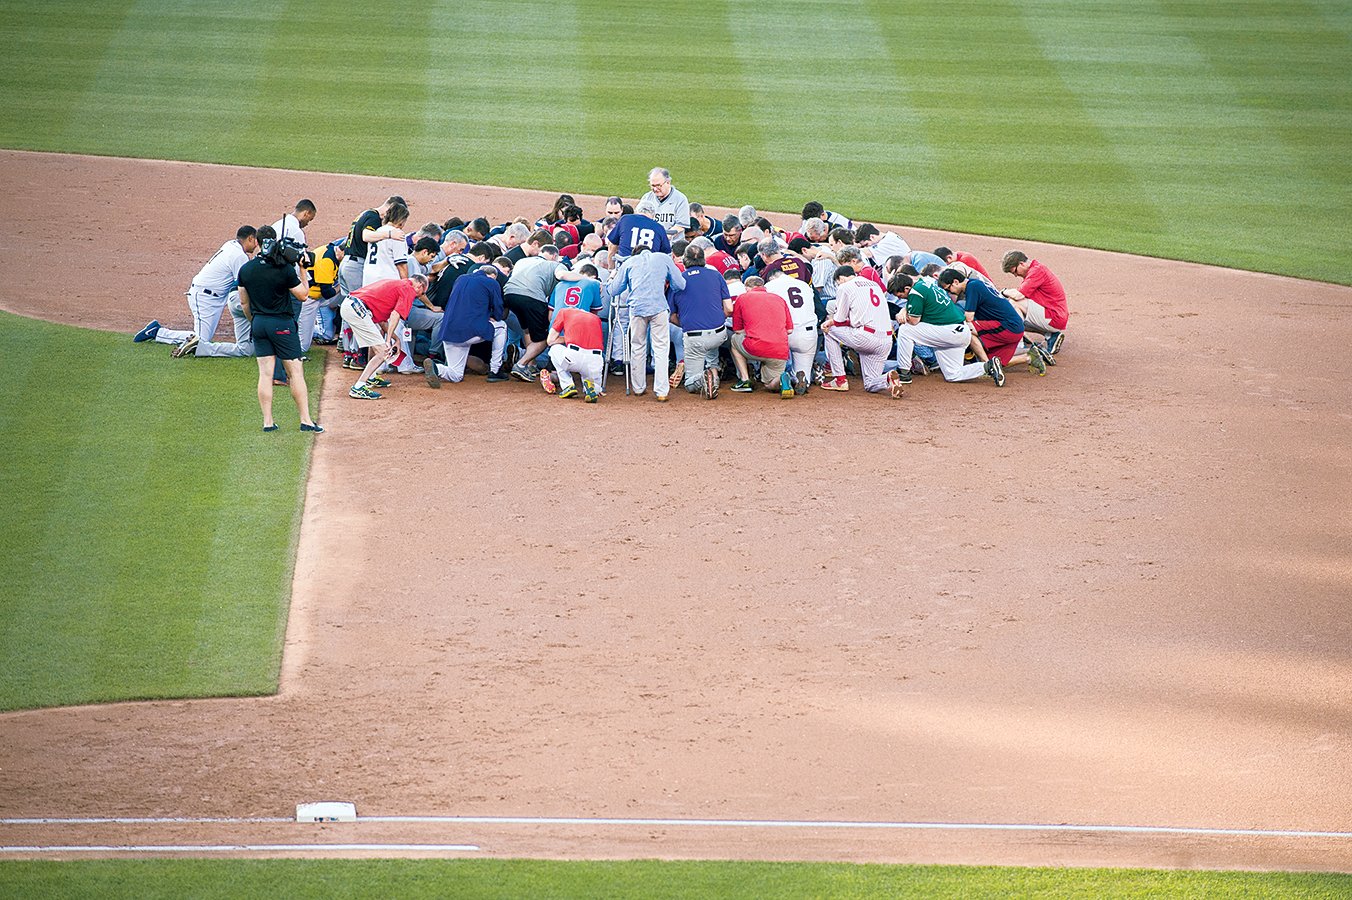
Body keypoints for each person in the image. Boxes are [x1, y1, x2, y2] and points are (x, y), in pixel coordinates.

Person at [236, 225, 321, 433]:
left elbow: (244, 303)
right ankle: (306, 421)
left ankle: (267, 422)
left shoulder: (245, 270)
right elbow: (303, 295)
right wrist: (303, 270)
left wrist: (254, 321)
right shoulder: (283, 270)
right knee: (296, 373)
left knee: (265, 374)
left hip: (259, 325)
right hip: (282, 325)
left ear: (256, 242)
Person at [137, 225, 259, 356]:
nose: (256, 245)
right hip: (204, 297)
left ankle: (158, 332)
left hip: (210, 296)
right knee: (200, 341)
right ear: (250, 238)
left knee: (200, 340)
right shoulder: (239, 256)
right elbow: (243, 284)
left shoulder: (231, 245)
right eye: (256, 241)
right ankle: (157, 333)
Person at [890, 272, 1005, 390]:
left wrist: (900, 315)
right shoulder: (924, 283)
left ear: (907, 288)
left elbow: (914, 321)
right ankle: (988, 366)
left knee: (905, 330)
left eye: (900, 295)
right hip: (960, 332)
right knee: (953, 374)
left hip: (948, 332)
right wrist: (904, 310)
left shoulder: (915, 292)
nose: (900, 298)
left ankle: (904, 373)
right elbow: (917, 304)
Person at [602, 246, 685, 400]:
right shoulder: (663, 258)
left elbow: (613, 290)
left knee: (638, 346)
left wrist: (611, 279)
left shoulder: (629, 262)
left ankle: (639, 387)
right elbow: (680, 285)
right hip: (659, 307)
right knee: (661, 348)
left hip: (637, 308)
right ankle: (661, 391)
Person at [936, 269, 1048, 376]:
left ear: (955, 281)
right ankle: (1029, 357)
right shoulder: (975, 283)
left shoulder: (973, 287)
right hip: (1012, 326)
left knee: (967, 330)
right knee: (995, 360)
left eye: (948, 288)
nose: (949, 292)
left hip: (1008, 326)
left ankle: (988, 367)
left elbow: (969, 318)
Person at [340, 274, 429, 399]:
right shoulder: (408, 289)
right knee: (383, 351)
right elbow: (395, 315)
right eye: (421, 294)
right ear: (420, 286)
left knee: (377, 339)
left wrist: (396, 339)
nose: (418, 297)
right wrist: (388, 342)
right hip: (357, 308)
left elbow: (383, 322)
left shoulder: (399, 285)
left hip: (353, 305)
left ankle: (371, 378)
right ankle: (358, 387)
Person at [425, 266, 508, 385]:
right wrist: (492, 316)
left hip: (448, 332)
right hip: (470, 331)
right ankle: (495, 370)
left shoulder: (461, 279)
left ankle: (437, 368)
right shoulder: (491, 282)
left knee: (456, 375)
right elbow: (498, 312)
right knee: (502, 326)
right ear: (492, 276)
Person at [668, 245, 731, 399]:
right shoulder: (717, 275)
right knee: (711, 346)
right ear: (704, 260)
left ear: (684, 261)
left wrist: (688, 324)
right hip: (719, 333)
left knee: (690, 383)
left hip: (694, 336)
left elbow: (672, 316)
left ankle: (703, 377)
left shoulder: (678, 280)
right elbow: (729, 309)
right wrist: (715, 319)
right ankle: (713, 374)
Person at [819, 267, 894, 394]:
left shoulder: (845, 286)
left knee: (829, 330)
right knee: (870, 384)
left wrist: (831, 321)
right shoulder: (875, 285)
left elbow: (839, 319)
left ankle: (840, 380)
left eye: (838, 283)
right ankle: (887, 378)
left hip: (866, 337)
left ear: (841, 278)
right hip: (886, 341)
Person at [729, 276, 795, 396]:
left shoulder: (743, 297)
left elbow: (737, 330)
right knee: (770, 384)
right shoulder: (779, 299)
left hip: (755, 346)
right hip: (779, 349)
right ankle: (782, 379)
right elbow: (789, 330)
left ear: (747, 288)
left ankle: (745, 380)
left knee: (734, 340)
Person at [1001, 250, 1069, 355]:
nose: (1015, 275)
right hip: (1052, 315)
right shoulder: (1034, 270)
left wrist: (1003, 291)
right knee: (1011, 315)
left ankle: (1019, 345)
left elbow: (1018, 295)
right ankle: (1051, 336)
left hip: (1054, 317)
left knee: (1014, 304)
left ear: (1021, 264)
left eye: (1014, 271)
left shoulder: (1037, 271)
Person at [339, 195, 406, 296]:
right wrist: (389, 235)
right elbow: (366, 236)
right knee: (361, 304)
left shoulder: (365, 214)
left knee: (347, 304)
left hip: (347, 263)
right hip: (356, 266)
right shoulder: (374, 217)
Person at [765, 266, 817, 394]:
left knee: (772, 375)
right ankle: (800, 378)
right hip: (808, 331)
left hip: (784, 332)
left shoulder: (770, 285)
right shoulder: (803, 285)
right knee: (803, 367)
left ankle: (783, 379)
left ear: (772, 277)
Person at [541, 305, 605, 402]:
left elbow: (550, 340)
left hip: (574, 356)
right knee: (591, 381)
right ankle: (593, 389)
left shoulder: (564, 311)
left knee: (554, 349)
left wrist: (568, 338)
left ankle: (567, 386)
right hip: (596, 362)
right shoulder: (595, 318)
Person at [362, 201, 411, 286]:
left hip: (368, 280)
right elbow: (401, 265)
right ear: (402, 220)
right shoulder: (398, 235)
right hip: (386, 282)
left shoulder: (377, 232)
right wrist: (406, 285)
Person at [606, 197, 671, 260]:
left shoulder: (625, 219)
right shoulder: (659, 227)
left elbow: (612, 245)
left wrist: (611, 268)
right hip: (648, 267)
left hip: (625, 264)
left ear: (636, 211)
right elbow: (666, 254)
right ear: (653, 214)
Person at [639, 167, 690, 240]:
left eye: (658, 185)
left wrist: (663, 238)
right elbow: (639, 220)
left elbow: (680, 226)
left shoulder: (680, 199)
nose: (655, 189)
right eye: (653, 186)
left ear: (668, 182)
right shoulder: (646, 198)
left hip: (672, 245)